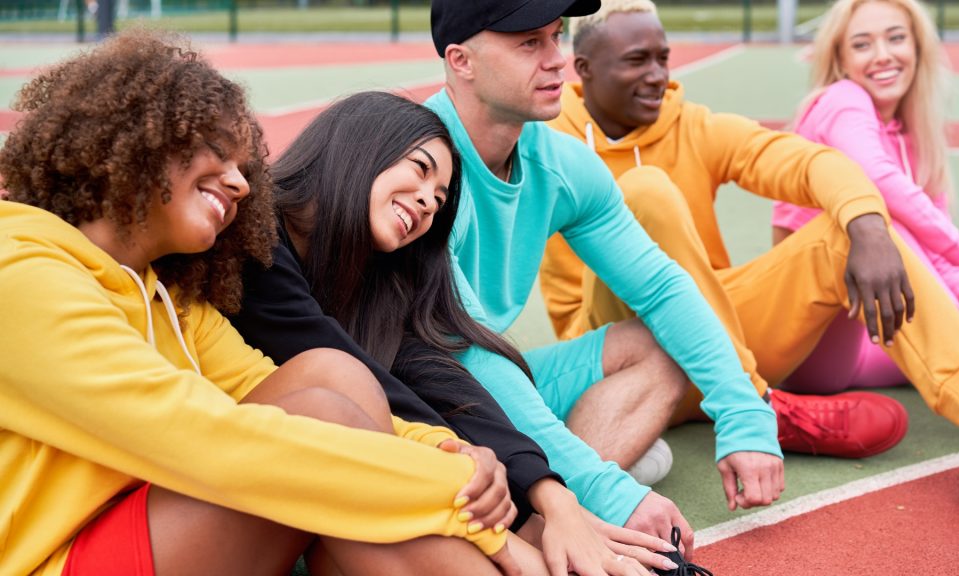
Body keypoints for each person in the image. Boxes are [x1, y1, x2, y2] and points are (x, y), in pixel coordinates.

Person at [0, 30, 527, 576]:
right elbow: (206, 438)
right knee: (317, 422)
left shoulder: (170, 299)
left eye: (243, 167)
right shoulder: (20, 274)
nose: (241, 184)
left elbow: (264, 385)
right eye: (218, 154)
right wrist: (460, 503)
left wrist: (449, 451)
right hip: (58, 559)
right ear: (140, 138)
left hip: (142, 527)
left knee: (331, 375)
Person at [540, 0, 959, 506]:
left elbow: (809, 162)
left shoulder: (694, 127)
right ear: (585, 68)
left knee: (844, 231)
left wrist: (868, 225)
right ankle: (759, 404)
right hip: (618, 355)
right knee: (644, 190)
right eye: (637, 60)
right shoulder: (545, 144)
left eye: (663, 58)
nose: (658, 76)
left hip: (716, 347)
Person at [230, 90, 672, 575]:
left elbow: (446, 381)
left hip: (291, 498)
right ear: (362, 145)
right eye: (420, 170)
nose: (426, 202)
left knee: (462, 461)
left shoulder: (370, 281)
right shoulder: (254, 233)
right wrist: (501, 509)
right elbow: (359, 381)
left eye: (440, 201)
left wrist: (555, 497)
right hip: (209, 494)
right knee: (364, 405)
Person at [425, 0, 797, 559]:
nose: (559, 61)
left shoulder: (561, 164)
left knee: (655, 345)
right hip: (415, 395)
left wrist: (743, 413)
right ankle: (562, 503)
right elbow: (465, 356)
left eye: (557, 37)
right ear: (461, 60)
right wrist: (609, 487)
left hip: (492, 378)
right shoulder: (419, 166)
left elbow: (661, 287)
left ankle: (555, 495)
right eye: (530, 43)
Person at [771, 0, 959, 397]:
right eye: (862, 44)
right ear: (839, 58)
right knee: (877, 222)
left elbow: (937, 260)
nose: (883, 55)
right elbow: (877, 180)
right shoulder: (840, 100)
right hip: (815, 348)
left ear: (918, 46)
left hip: (885, 332)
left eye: (896, 38)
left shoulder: (915, 134)